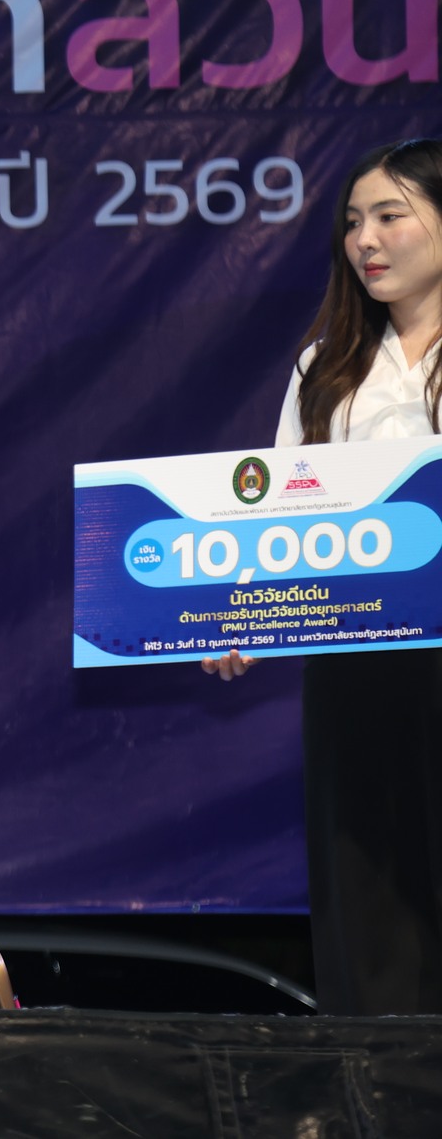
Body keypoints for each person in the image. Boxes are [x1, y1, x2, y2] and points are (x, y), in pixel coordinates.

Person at [207, 137, 442, 1014]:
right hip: (357, 674)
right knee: (370, 915)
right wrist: (246, 616)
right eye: (352, 222)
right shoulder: (327, 367)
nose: (365, 240)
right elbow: (281, 523)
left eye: (389, 216)